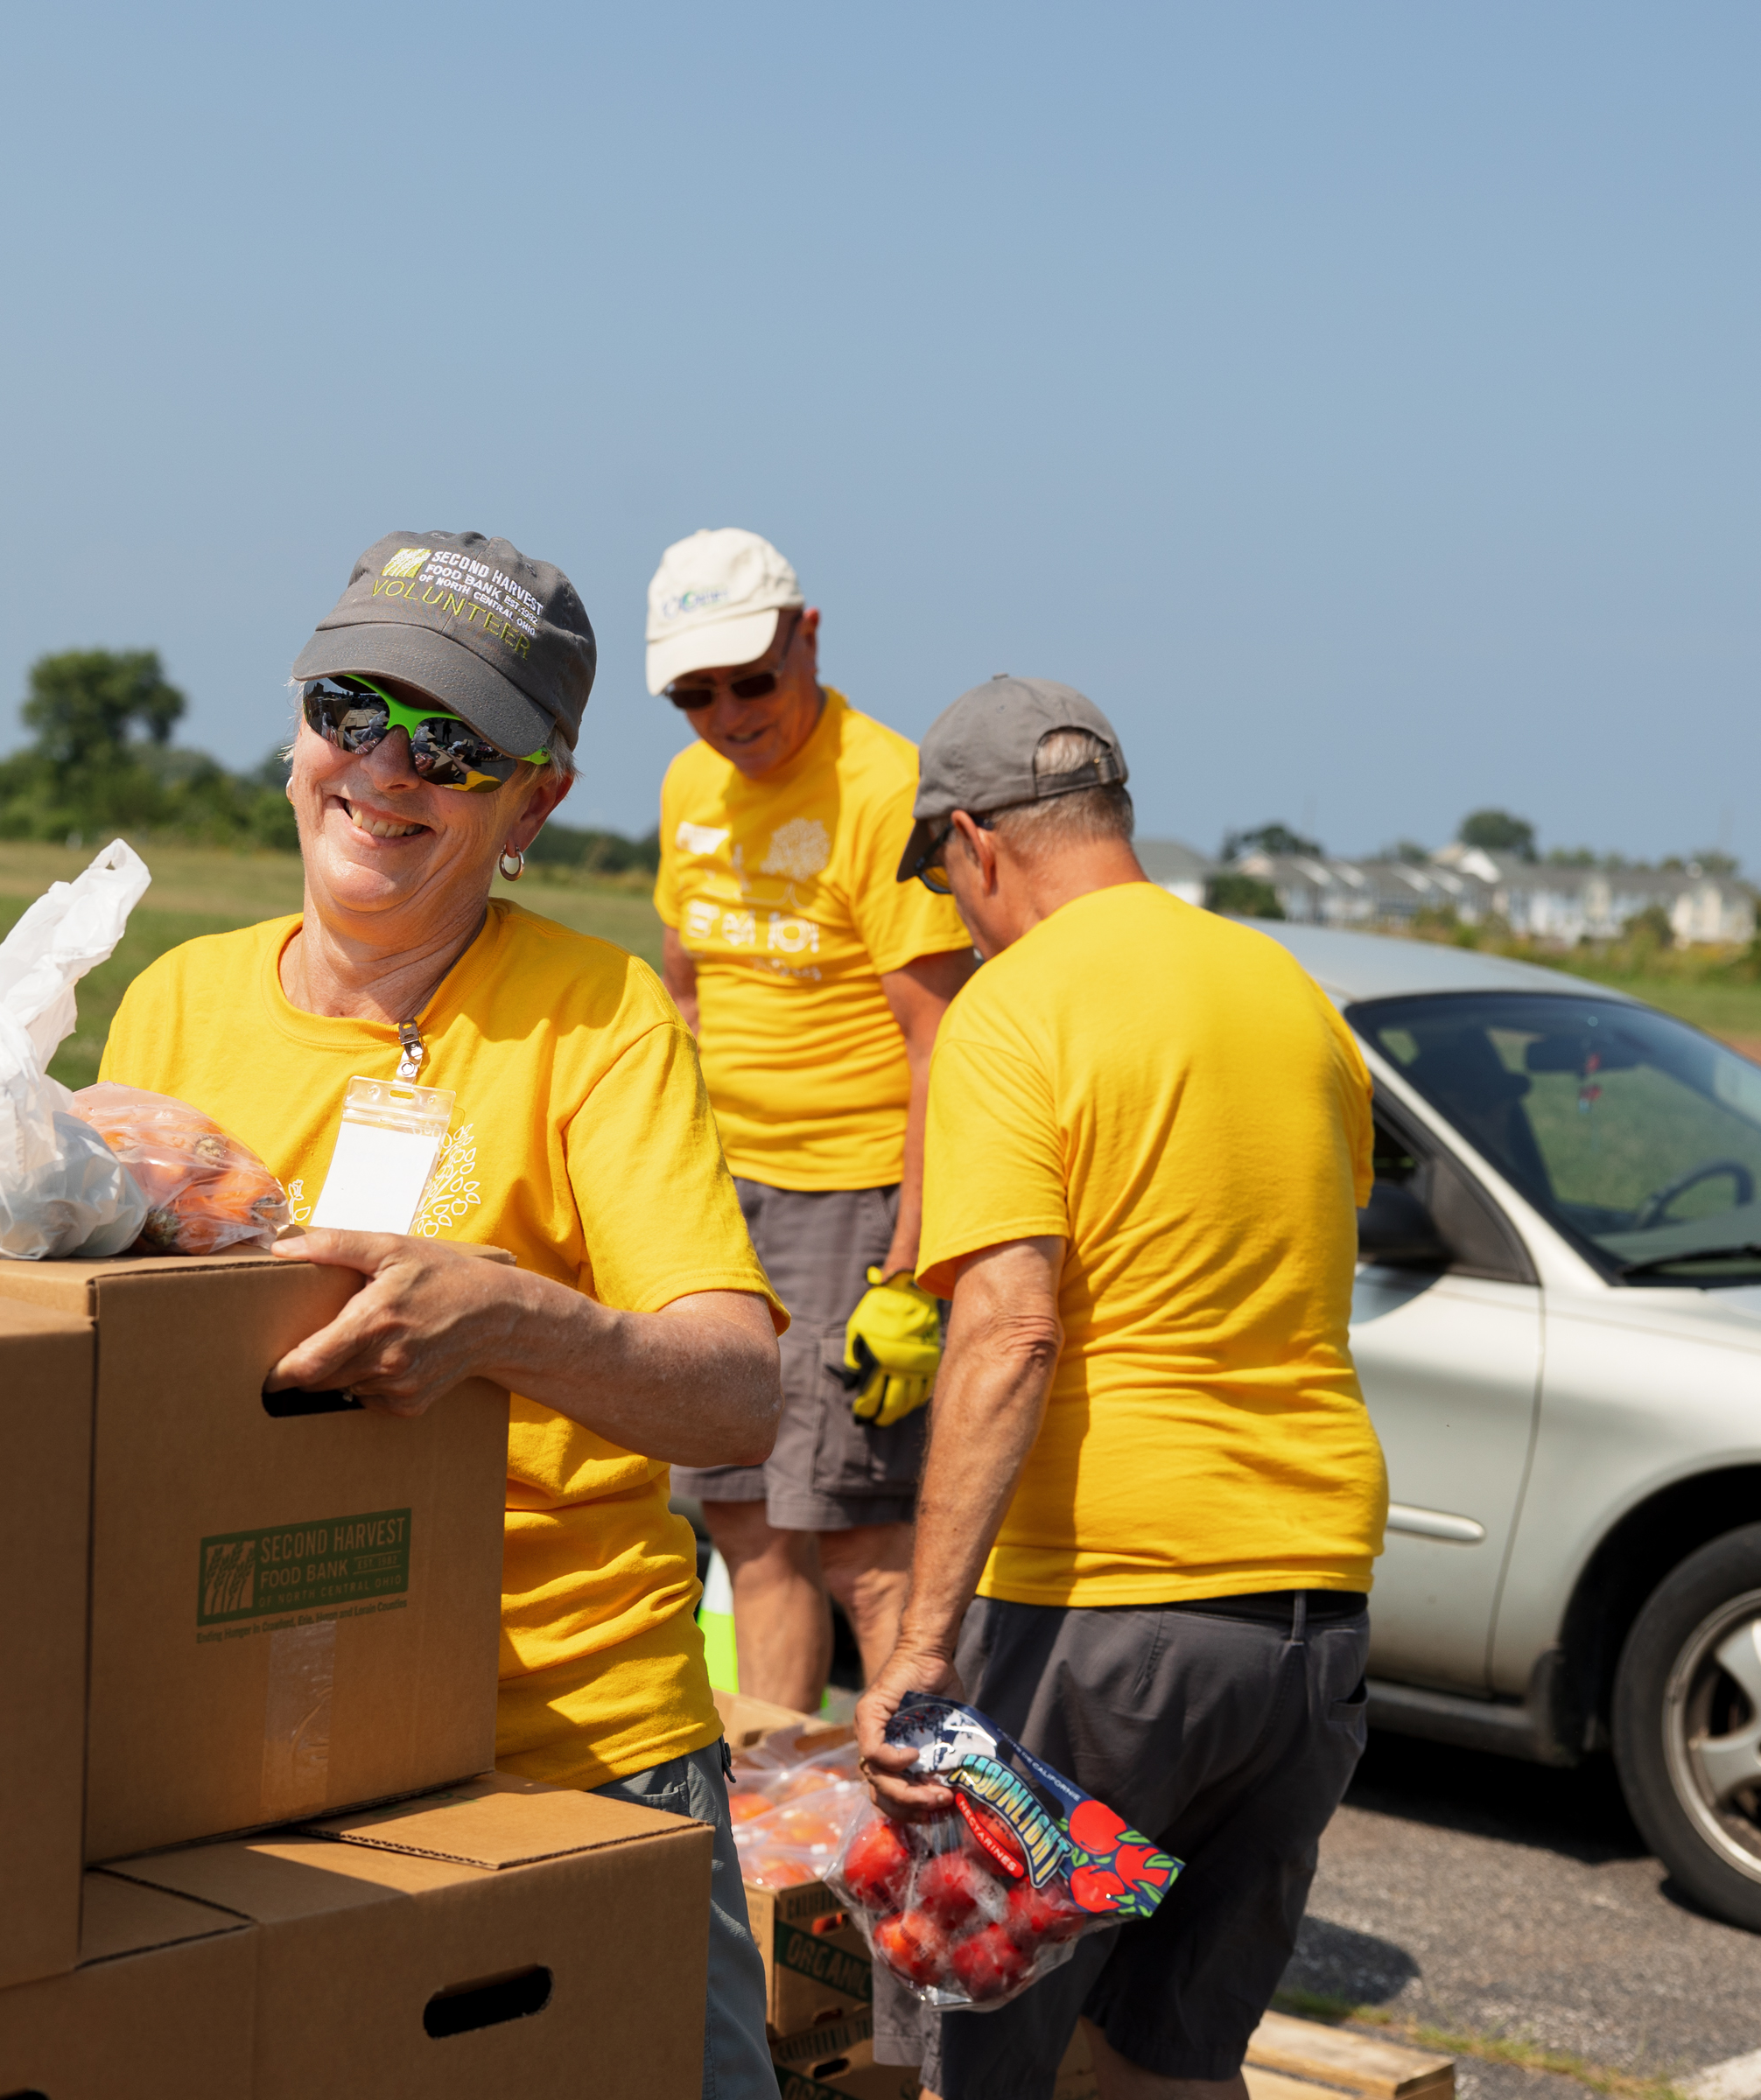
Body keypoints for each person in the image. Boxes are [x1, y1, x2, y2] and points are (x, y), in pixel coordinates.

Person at [100, 530, 785, 2100]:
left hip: (568, 1752)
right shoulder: (176, 1003)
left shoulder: (600, 1020)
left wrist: (513, 1324)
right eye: (353, 710)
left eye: (455, 746)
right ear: (294, 737)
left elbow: (738, 1396)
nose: (385, 770)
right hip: (250, 1743)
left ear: (535, 800)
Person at [850, 678, 1388, 2100]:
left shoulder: (1014, 1012)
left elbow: (1010, 1331)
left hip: (1106, 1617)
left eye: (944, 880)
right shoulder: (1292, 996)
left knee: (981, 2054)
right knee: (1167, 2064)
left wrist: (915, 1648)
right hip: (1312, 1624)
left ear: (975, 842)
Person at [646, 527, 976, 1715]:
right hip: (720, 1196)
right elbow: (685, 978)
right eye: (695, 691)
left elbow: (943, 1039)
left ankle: (928, 1845)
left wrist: (912, 1269)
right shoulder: (692, 786)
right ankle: (775, 1827)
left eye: (752, 678)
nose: (729, 713)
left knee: (857, 1542)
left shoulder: (882, 791)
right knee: (741, 1517)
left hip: (851, 1200)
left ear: (810, 635)